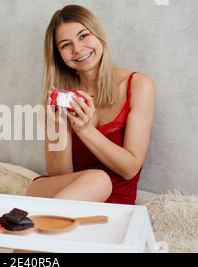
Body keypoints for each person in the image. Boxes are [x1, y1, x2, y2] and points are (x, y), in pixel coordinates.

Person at [27, 5, 156, 205]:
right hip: (67, 197)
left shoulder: (138, 85)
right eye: (65, 45)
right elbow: (59, 175)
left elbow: (130, 168)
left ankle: (30, 225)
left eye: (83, 36)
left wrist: (85, 129)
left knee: (99, 179)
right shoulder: (61, 98)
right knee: (36, 186)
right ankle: (30, 224)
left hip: (110, 201)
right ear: (59, 55)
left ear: (98, 35)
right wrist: (59, 125)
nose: (77, 49)